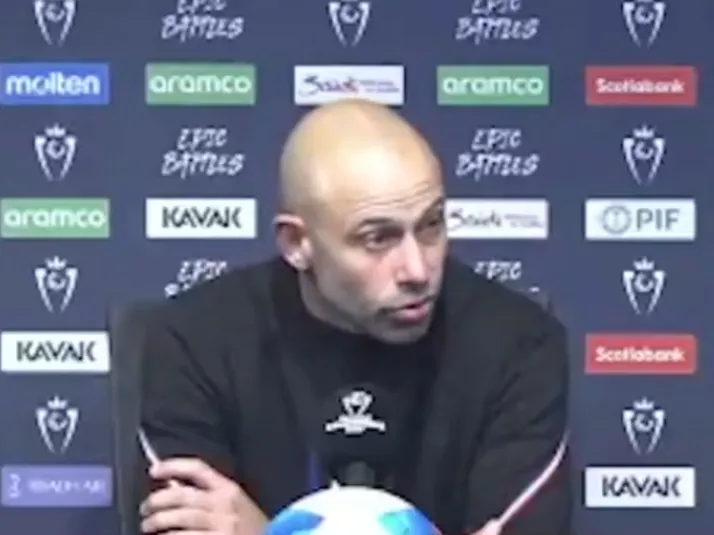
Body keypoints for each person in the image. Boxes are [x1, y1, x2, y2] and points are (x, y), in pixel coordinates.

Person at [136, 100, 572, 535]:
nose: (418, 271)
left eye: (431, 225)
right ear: (297, 244)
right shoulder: (194, 342)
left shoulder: (519, 346)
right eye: (377, 238)